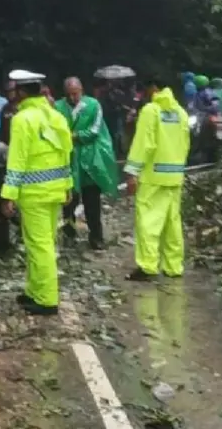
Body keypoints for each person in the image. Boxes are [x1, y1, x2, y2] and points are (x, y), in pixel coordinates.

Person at [0, 69, 74, 316]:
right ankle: (33, 291)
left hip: (34, 193)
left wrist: (8, 194)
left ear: (21, 92)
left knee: (39, 245)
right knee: (41, 243)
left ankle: (46, 299)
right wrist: (68, 185)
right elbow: (66, 154)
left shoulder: (23, 119)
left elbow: (16, 160)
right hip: (54, 191)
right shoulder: (55, 116)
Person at [123, 75, 190, 281]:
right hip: (175, 175)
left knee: (149, 222)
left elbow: (145, 143)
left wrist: (132, 171)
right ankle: (173, 266)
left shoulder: (151, 111)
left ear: (152, 88)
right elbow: (186, 144)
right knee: (172, 223)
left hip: (153, 176)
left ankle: (148, 267)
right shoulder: (180, 113)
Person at [54, 77, 120, 250]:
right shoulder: (58, 107)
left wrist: (73, 136)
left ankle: (96, 237)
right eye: (69, 95)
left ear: (81, 90)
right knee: (69, 202)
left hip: (90, 162)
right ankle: (69, 235)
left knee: (92, 202)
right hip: (68, 161)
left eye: (75, 94)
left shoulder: (93, 105)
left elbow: (94, 131)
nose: (73, 98)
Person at [0, 81, 18, 146]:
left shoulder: (23, 107)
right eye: (8, 92)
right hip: (7, 143)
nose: (10, 94)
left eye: (12, 91)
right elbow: (2, 128)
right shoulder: (5, 108)